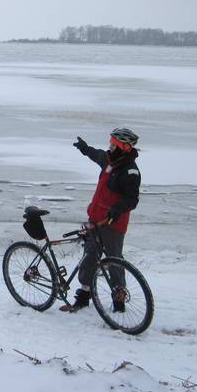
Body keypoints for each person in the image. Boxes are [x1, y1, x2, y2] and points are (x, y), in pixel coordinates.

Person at [61, 127, 141, 313]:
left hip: (113, 223)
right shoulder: (109, 160)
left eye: (113, 144)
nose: (110, 146)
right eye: (110, 143)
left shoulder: (130, 171)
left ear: (124, 146)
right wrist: (84, 148)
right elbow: (97, 155)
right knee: (89, 255)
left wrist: (117, 209)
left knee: (114, 260)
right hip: (95, 218)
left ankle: (119, 300)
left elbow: (132, 199)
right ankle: (83, 297)